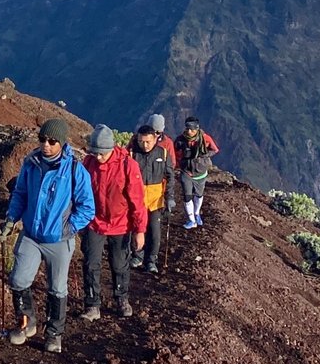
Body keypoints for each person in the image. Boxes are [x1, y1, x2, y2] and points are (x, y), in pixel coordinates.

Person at [1, 118, 95, 353]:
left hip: (59, 240)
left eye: (52, 141)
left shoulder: (75, 169)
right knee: (18, 280)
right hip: (31, 235)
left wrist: (69, 228)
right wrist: (11, 219)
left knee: (57, 289)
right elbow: (20, 194)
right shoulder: (30, 163)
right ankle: (26, 324)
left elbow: (87, 207)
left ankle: (54, 335)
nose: (46, 145)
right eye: (42, 139)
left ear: (62, 143)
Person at [80, 126, 146, 320]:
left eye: (102, 153)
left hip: (120, 223)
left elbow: (137, 200)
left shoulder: (128, 165)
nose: (98, 157)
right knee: (91, 263)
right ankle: (92, 304)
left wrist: (139, 230)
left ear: (111, 148)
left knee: (119, 264)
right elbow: (80, 192)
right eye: (95, 153)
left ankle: (122, 299)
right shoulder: (88, 163)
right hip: (94, 222)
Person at [129, 122, 174, 273]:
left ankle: (151, 260)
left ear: (155, 139)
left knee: (154, 231)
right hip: (137, 199)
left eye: (148, 141)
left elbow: (170, 176)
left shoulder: (163, 153)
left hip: (156, 200)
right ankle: (137, 256)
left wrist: (170, 197)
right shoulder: (132, 154)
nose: (145, 145)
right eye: (141, 141)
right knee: (137, 229)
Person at [175, 115, 220, 229]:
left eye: (192, 129)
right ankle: (191, 220)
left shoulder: (205, 138)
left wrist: (203, 156)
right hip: (186, 171)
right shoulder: (180, 140)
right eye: (187, 129)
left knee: (199, 195)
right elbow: (175, 152)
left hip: (200, 172)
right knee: (187, 196)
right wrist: (179, 162)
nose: (189, 131)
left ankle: (196, 213)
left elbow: (215, 149)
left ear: (197, 129)